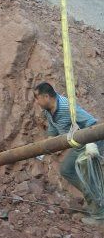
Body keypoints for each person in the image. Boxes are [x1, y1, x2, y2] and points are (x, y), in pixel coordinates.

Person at [34, 81, 103, 226]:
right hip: (78, 145)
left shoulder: (66, 106)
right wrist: (42, 151)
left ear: (46, 96)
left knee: (88, 175)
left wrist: (91, 145)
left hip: (91, 143)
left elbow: (91, 122)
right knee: (67, 170)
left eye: (37, 97)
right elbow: (53, 133)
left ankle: (99, 217)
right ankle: (93, 200)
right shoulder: (48, 111)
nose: (36, 101)